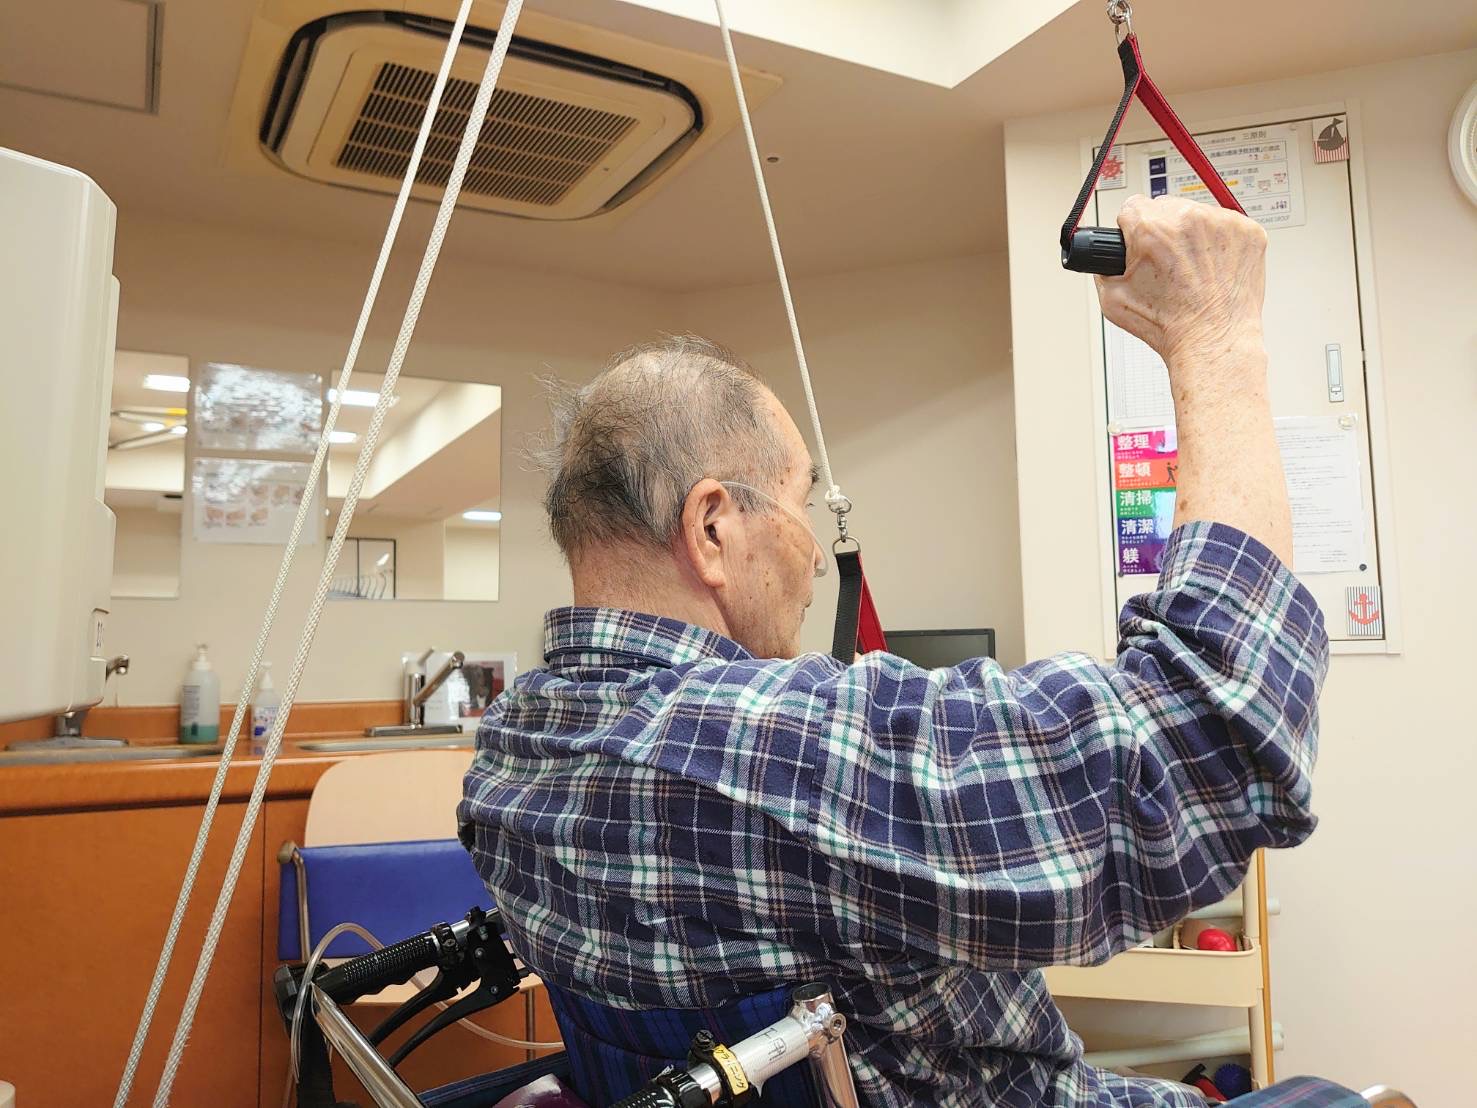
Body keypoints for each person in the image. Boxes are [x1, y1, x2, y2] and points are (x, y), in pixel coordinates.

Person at [459, 195, 1327, 1107]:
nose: (811, 553)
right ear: (712, 526)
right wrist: (1217, 338)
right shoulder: (787, 746)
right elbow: (1204, 750)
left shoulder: (508, 750)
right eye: (800, 500)